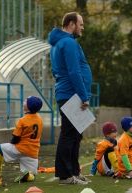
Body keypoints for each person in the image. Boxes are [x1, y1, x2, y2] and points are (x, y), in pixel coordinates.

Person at [48, 12, 92, 185]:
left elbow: (56, 71)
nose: (82, 27)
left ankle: (73, 171)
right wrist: (83, 96)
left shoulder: (59, 44)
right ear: (72, 24)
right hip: (72, 95)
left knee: (75, 134)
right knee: (69, 134)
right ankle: (65, 175)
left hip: (68, 93)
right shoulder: (68, 42)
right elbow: (74, 71)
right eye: (80, 24)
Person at [0, 96, 43, 187]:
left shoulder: (22, 120)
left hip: (19, 148)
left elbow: (15, 138)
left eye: (26, 101)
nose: (24, 102)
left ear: (29, 106)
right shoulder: (40, 120)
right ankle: (28, 176)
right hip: (33, 152)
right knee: (33, 175)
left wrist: (11, 144)